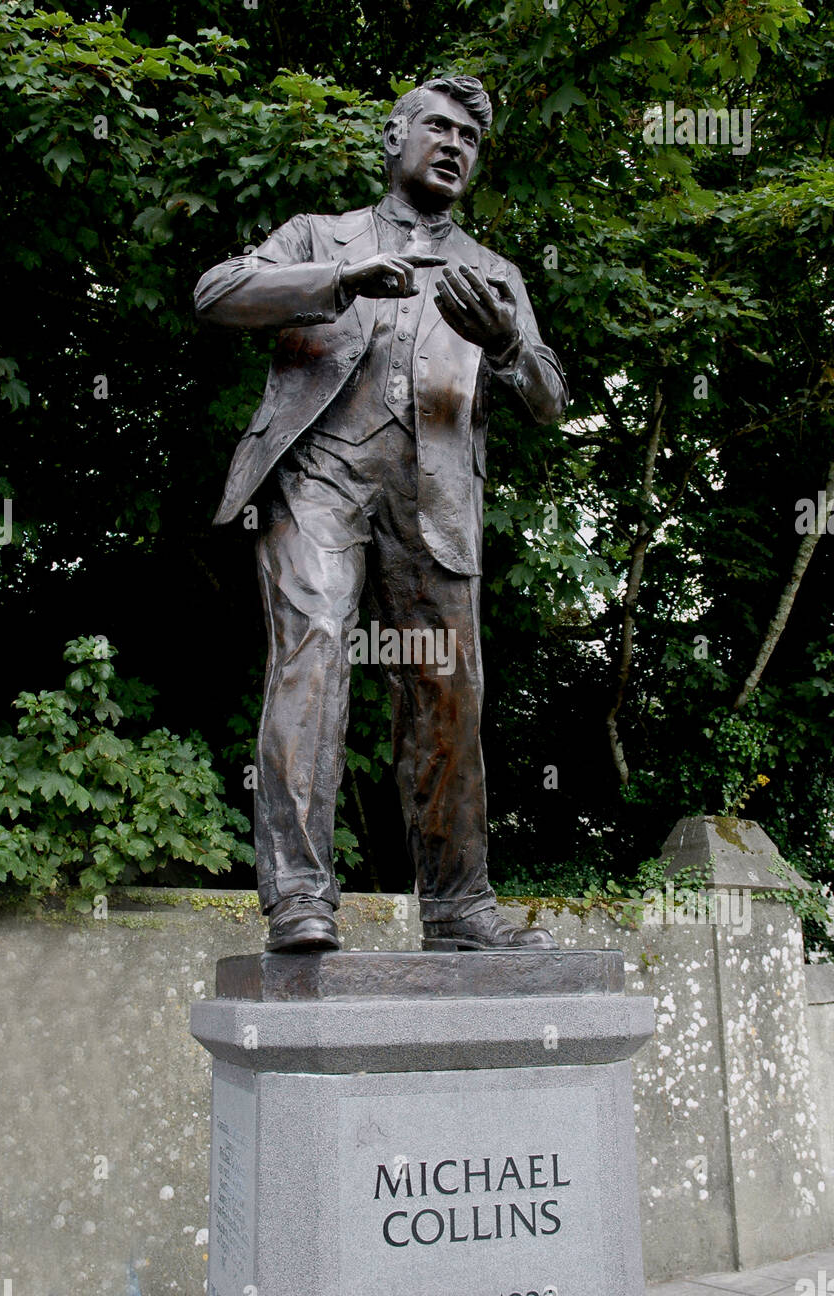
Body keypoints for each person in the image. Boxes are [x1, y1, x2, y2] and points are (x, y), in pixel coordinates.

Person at [195, 75, 569, 952]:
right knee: (313, 652)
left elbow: (551, 400)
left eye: (469, 139)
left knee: (447, 695)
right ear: (394, 137)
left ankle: (458, 905)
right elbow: (217, 293)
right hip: (320, 476)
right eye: (437, 127)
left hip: (436, 495)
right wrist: (337, 279)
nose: (454, 146)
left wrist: (511, 345)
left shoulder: (494, 271)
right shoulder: (319, 235)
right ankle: (298, 896)